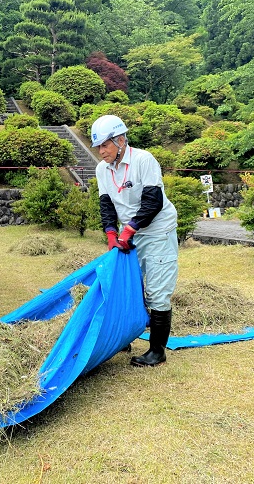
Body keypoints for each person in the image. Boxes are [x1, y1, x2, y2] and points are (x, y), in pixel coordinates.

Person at [91, 115, 178, 367]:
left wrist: (129, 229)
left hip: (157, 232)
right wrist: (110, 232)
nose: (101, 151)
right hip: (129, 232)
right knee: (127, 286)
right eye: (98, 146)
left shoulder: (143, 160)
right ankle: (125, 336)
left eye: (105, 145)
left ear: (120, 140)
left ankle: (157, 351)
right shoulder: (102, 169)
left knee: (157, 291)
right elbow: (106, 203)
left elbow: (154, 201)